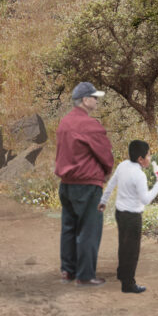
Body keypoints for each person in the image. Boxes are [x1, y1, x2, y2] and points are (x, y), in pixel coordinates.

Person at [54, 82, 115, 286]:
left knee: (69, 228)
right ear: (85, 100)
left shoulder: (64, 123)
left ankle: (68, 271)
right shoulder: (89, 125)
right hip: (87, 185)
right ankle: (86, 275)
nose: (97, 101)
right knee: (89, 229)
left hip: (66, 185)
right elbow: (105, 155)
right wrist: (106, 173)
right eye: (94, 97)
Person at [104, 140, 158, 294]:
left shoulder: (123, 165)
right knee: (132, 251)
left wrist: (103, 200)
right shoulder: (139, 175)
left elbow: (111, 183)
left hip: (120, 213)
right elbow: (145, 199)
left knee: (123, 244)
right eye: (148, 155)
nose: (150, 158)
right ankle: (128, 284)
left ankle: (121, 273)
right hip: (132, 217)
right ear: (140, 159)